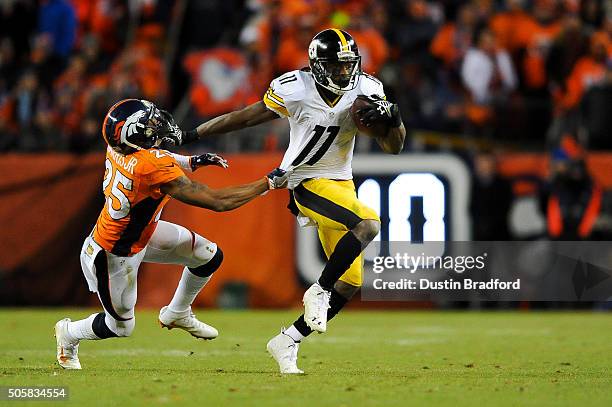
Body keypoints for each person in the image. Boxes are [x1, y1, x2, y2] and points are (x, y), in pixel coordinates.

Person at [163, 29, 406, 373]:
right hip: (304, 180)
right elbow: (244, 117)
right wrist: (191, 134)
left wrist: (393, 119)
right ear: (318, 66)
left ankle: (288, 340)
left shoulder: (368, 89)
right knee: (367, 224)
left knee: (350, 282)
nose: (343, 73)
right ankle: (317, 291)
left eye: (347, 65)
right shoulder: (296, 88)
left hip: (341, 186)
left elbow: (394, 146)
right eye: (335, 66)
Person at [55, 98, 289, 370]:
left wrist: (192, 161)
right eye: (149, 122)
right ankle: (69, 333)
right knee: (120, 326)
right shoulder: (148, 165)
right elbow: (217, 201)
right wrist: (267, 183)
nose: (156, 124)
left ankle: (178, 313)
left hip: (141, 232)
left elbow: (156, 157)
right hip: (113, 253)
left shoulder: (119, 148)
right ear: (134, 134)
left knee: (207, 255)